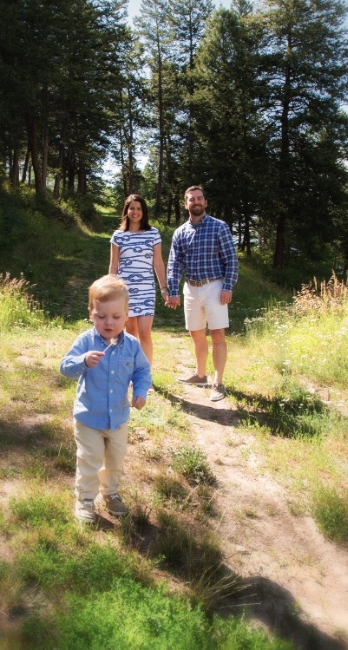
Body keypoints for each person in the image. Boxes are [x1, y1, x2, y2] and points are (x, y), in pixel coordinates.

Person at [59, 274, 151, 524]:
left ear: (126, 314)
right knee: (89, 458)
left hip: (118, 418)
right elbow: (65, 367)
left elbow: (142, 370)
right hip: (89, 416)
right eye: (101, 316)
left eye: (116, 316)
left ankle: (110, 493)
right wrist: (82, 360)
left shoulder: (131, 345)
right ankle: (86, 500)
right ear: (91, 313)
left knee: (115, 458)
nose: (108, 322)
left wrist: (141, 392)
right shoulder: (86, 341)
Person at [165, 185, 238, 402]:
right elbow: (174, 263)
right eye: (191, 199)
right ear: (185, 204)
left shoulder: (219, 227)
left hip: (214, 287)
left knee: (217, 335)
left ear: (205, 202)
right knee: (196, 333)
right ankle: (200, 375)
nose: (196, 202)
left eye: (199, 199)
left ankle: (218, 382)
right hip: (191, 288)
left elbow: (231, 259)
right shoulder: (180, 232)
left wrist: (228, 287)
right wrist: (173, 290)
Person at [109, 194, 168, 367]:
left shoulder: (153, 233)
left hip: (146, 290)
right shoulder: (118, 236)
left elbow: (158, 263)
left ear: (144, 211)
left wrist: (164, 288)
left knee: (145, 333)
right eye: (132, 208)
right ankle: (130, 371)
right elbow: (113, 266)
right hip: (124, 291)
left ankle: (145, 374)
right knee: (130, 333)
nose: (135, 212)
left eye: (139, 208)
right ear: (126, 211)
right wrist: (110, 289)